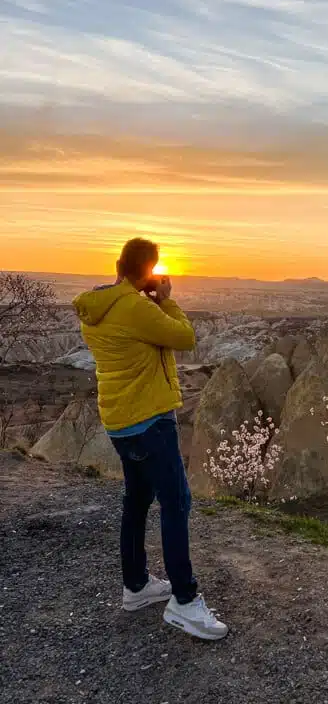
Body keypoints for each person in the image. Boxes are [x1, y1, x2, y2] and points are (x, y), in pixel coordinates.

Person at [72, 237, 228, 640]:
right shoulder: (137, 308)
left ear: (118, 265)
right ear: (148, 271)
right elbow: (184, 336)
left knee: (138, 499)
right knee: (176, 502)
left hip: (120, 421)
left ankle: (137, 585)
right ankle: (185, 601)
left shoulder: (97, 306)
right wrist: (167, 299)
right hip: (150, 420)